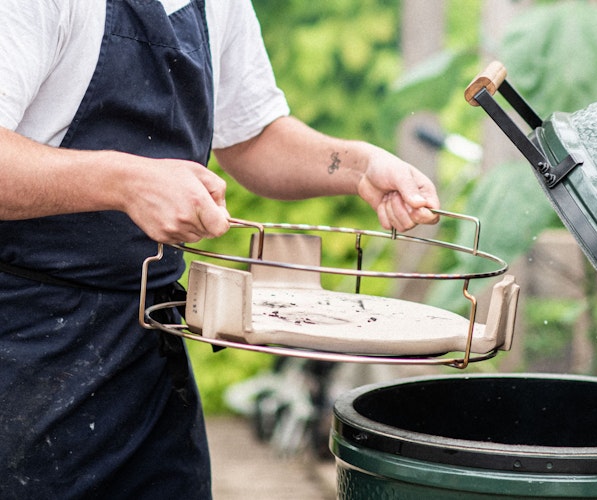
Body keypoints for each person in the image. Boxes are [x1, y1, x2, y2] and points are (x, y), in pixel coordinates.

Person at [0, 1, 440, 498]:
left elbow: (252, 137)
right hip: (23, 347)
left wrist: (359, 166)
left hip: (145, 356)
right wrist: (123, 181)